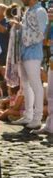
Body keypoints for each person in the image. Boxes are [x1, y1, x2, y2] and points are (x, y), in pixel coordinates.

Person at [11, 0, 48, 129]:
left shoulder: (40, 11)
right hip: (24, 52)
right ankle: (28, 115)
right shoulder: (29, 10)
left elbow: (40, 34)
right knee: (25, 85)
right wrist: (20, 27)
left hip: (33, 53)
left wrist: (21, 28)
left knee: (35, 85)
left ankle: (37, 118)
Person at [33, 7, 53, 135]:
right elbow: (45, 41)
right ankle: (50, 125)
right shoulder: (50, 26)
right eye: (49, 11)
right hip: (51, 62)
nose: (50, 13)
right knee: (51, 94)